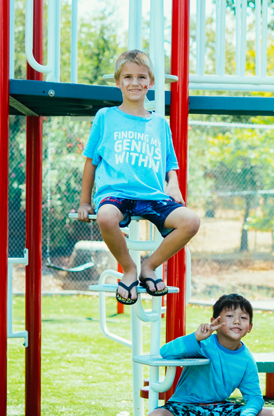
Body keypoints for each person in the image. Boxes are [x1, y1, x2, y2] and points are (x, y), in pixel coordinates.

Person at [77, 49, 200, 305]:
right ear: (118, 82)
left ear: (151, 82)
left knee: (191, 221)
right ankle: (129, 269)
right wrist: (84, 201)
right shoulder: (106, 117)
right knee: (106, 216)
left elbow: (170, 162)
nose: (135, 82)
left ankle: (149, 267)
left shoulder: (159, 124)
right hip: (117, 194)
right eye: (128, 77)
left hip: (153, 196)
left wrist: (173, 185)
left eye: (141, 77)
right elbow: (90, 162)